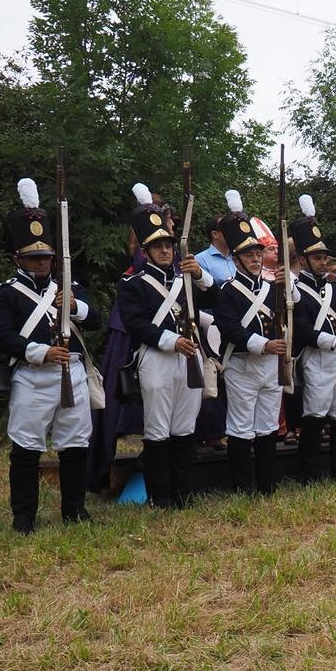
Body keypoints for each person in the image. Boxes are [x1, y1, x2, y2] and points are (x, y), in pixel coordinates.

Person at [0, 178, 101, 533]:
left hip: (73, 376)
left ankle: (75, 509)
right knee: (26, 449)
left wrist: (73, 304)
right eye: (34, 258)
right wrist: (41, 351)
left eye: (46, 258)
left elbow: (96, 320)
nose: (42, 264)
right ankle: (24, 517)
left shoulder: (67, 287)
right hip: (33, 377)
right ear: (18, 258)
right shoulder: (3, 293)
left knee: (74, 445)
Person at [117, 182, 214, 508]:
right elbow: (136, 324)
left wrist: (200, 273)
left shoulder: (186, 279)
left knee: (185, 428)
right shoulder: (132, 283)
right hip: (157, 358)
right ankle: (162, 497)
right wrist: (174, 341)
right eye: (158, 247)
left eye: (168, 246)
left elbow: (217, 298)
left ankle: (182, 493)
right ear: (145, 251)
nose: (165, 251)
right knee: (158, 429)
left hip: (190, 358)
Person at [207, 190, 288, 494]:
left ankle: (267, 485)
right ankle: (243, 487)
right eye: (248, 255)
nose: (255, 259)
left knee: (267, 426)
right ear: (237, 259)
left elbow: (291, 316)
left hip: (270, 364)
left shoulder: (273, 288)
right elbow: (229, 329)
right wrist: (264, 345)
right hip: (242, 363)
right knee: (241, 427)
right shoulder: (226, 290)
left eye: (257, 254)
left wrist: (286, 289)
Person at [288, 198, 336, 482]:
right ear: (304, 259)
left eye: (324, 257)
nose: (322, 262)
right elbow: (302, 330)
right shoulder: (295, 289)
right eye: (317, 257)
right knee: (315, 418)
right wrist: (334, 342)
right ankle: (310, 474)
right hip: (318, 357)